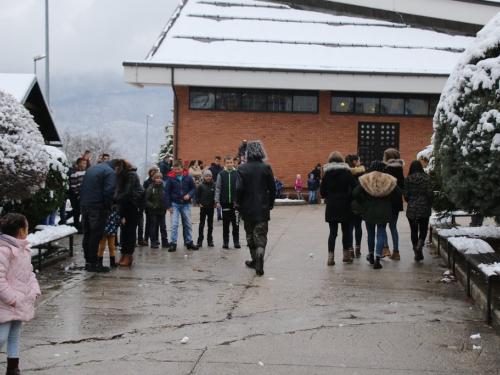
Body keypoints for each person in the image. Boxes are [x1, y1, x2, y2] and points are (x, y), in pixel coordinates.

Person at [0, 214, 41, 375]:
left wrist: (34, 290)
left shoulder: (23, 250)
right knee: (2, 336)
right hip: (6, 302)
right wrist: (12, 298)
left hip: (21, 300)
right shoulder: (4, 251)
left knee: (15, 335)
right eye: (27, 228)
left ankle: (13, 367)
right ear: (22, 231)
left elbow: (29, 273)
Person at [235, 141, 275, 276]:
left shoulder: (242, 167)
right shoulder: (266, 167)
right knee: (261, 235)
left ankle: (254, 260)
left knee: (250, 235)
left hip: (247, 207)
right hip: (262, 207)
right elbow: (272, 188)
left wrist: (238, 203)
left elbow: (239, 188)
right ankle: (259, 261)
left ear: (248, 153)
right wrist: (271, 202)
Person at [353, 161, 402, 270]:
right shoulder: (389, 180)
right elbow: (399, 192)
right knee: (381, 234)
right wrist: (389, 202)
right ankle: (378, 258)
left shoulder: (365, 179)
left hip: (369, 209)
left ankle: (370, 255)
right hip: (384, 210)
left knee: (370, 234)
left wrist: (363, 202)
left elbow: (355, 193)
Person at [80, 159, 119, 272]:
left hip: (85, 204)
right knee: (95, 235)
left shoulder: (91, 168)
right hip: (97, 207)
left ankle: (88, 261)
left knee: (87, 234)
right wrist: (108, 206)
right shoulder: (110, 172)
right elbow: (109, 190)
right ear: (116, 168)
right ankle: (93, 263)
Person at [320, 152, 357, 266]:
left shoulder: (327, 174)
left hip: (332, 204)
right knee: (345, 231)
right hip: (344, 204)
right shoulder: (346, 172)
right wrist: (349, 198)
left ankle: (330, 258)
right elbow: (354, 186)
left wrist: (329, 196)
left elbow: (322, 191)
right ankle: (346, 256)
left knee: (333, 233)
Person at [113, 159, 144, 266]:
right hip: (125, 204)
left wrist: (114, 200)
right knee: (124, 230)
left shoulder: (131, 175)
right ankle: (124, 254)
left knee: (130, 230)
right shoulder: (121, 176)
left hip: (133, 204)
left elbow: (127, 192)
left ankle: (128, 255)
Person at [164, 160, 199, 252]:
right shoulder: (170, 179)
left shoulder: (188, 177)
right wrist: (169, 205)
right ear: (173, 169)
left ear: (182, 168)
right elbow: (166, 192)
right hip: (174, 204)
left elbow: (193, 188)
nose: (177, 171)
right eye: (175, 169)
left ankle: (189, 242)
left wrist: (189, 195)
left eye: (178, 169)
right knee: (174, 224)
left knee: (188, 223)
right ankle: (173, 243)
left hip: (185, 204)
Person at [403, 160, 434, 261]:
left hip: (412, 208)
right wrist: (429, 202)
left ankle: (416, 248)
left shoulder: (408, 179)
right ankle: (420, 243)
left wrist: (411, 201)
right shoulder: (426, 178)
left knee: (413, 230)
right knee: (423, 228)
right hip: (424, 207)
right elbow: (430, 193)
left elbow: (406, 195)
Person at [382, 148, 405, 260]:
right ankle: (396, 251)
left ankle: (385, 248)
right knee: (393, 227)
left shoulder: (387, 170)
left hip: (387, 201)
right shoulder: (400, 170)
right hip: (397, 202)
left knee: (383, 225)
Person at [215, 155, 240, 249]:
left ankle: (236, 241)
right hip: (225, 202)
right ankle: (226, 242)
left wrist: (240, 200)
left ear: (233, 163)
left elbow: (240, 188)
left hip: (235, 203)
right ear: (224, 163)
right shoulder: (221, 174)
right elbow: (218, 188)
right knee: (225, 223)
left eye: (231, 162)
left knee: (235, 223)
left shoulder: (237, 173)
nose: (229, 164)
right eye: (227, 163)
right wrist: (217, 200)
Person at [345, 154, 365, 258]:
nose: (360, 162)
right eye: (359, 161)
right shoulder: (361, 173)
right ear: (354, 162)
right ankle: (358, 248)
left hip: (348, 202)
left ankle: (350, 249)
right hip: (358, 201)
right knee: (358, 226)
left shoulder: (345, 173)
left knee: (349, 227)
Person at [146, 172, 169, 249]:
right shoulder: (150, 188)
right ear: (154, 179)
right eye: (157, 178)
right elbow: (146, 200)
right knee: (153, 227)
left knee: (163, 227)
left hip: (162, 210)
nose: (159, 180)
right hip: (154, 211)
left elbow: (165, 197)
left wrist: (166, 205)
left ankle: (165, 241)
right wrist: (152, 206)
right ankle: (153, 241)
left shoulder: (163, 187)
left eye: (160, 178)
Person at [196, 170, 216, 247]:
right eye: (207, 176)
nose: (208, 178)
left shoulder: (214, 185)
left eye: (209, 176)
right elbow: (197, 195)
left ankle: (210, 239)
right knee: (201, 224)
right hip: (203, 207)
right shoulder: (201, 185)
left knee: (210, 225)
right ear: (204, 177)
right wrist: (199, 203)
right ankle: (200, 240)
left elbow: (216, 194)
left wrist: (215, 202)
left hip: (211, 207)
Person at [140, 167, 159, 246]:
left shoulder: (159, 182)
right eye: (152, 171)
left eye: (155, 171)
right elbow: (144, 194)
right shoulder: (147, 182)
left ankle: (156, 238)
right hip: (149, 206)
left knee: (156, 223)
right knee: (148, 223)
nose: (153, 172)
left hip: (156, 206)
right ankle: (146, 238)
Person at [69, 157, 87, 233]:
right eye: (83, 163)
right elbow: (73, 185)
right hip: (78, 196)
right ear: (79, 164)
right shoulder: (74, 173)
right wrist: (77, 194)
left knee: (84, 212)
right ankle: (76, 226)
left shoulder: (86, 172)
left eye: (85, 163)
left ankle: (83, 227)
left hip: (85, 194)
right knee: (77, 212)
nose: (85, 165)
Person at [209, 156, 224, 221]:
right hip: (213, 185)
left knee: (220, 200)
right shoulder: (211, 169)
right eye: (217, 161)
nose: (218, 162)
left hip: (220, 186)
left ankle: (220, 215)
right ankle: (216, 214)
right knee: (214, 200)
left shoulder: (222, 169)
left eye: (219, 161)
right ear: (214, 161)